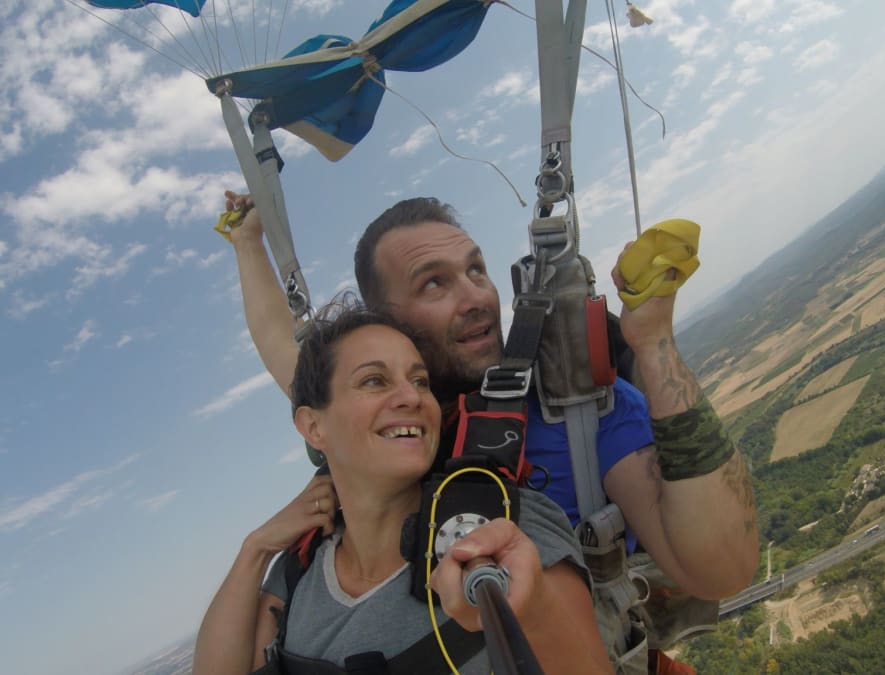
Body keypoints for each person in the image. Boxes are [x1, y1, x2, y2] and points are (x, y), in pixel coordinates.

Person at [225, 192, 758, 602]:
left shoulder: (576, 406)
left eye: (476, 270)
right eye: (434, 284)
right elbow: (285, 350)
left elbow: (720, 570)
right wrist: (248, 243)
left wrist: (654, 345)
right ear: (388, 324)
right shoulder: (374, 427)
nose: (476, 297)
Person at [193, 303, 612, 674]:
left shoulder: (503, 526)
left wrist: (531, 611)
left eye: (421, 381)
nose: (411, 396)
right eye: (374, 380)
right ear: (313, 427)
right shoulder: (299, 570)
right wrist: (256, 549)